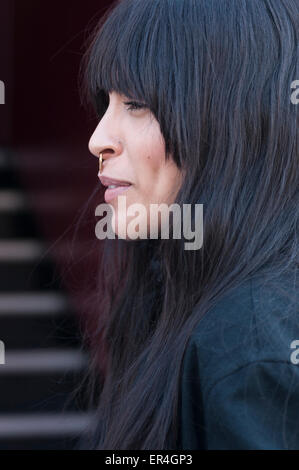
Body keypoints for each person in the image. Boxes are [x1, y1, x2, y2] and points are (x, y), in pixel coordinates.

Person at [76, 0, 299, 450]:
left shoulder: (251, 341)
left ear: (231, 121)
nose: (97, 139)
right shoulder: (178, 291)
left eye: (136, 103)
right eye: (108, 103)